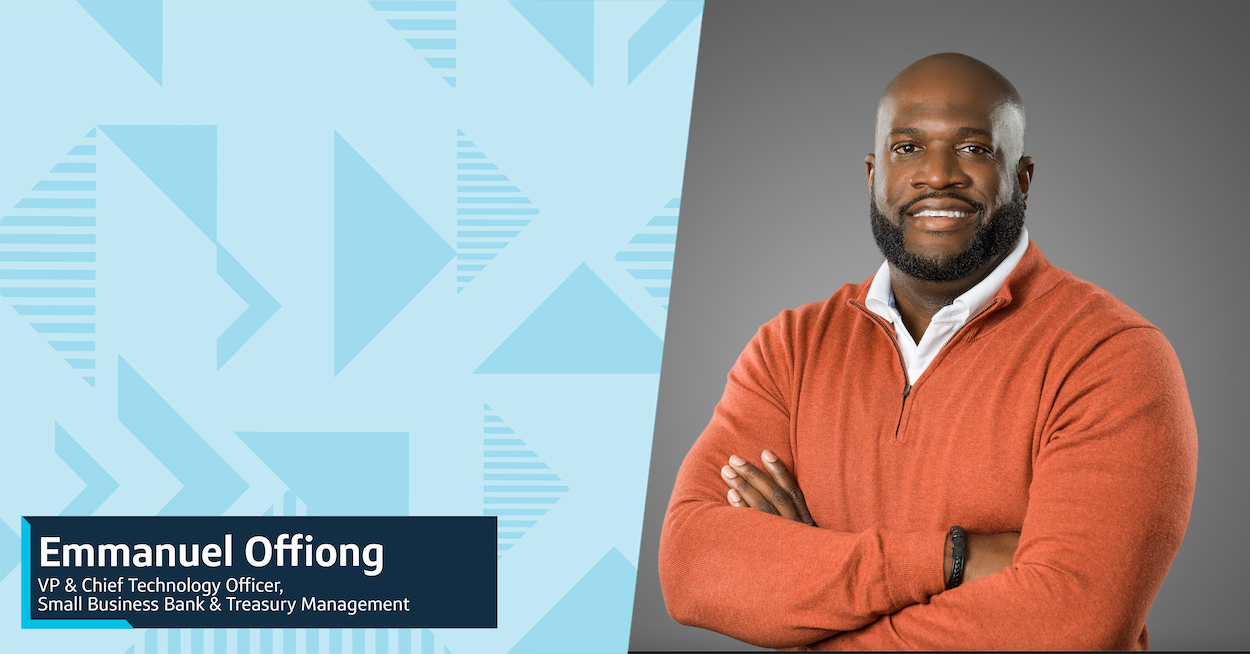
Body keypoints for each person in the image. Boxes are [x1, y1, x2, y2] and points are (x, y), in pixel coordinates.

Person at [657, 52, 1197, 650]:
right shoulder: (791, 349)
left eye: (974, 148)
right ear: (871, 175)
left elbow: (1071, 624)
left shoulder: (1110, 355)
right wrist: (953, 559)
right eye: (908, 149)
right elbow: (690, 565)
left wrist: (807, 588)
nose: (937, 175)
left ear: (1022, 178)